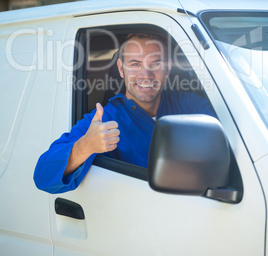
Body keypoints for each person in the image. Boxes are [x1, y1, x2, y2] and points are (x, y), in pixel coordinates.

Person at [34, 33, 215, 194]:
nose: (146, 74)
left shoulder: (190, 105)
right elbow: (43, 177)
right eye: (135, 64)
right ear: (121, 69)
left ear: (167, 69)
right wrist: (86, 146)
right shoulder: (104, 119)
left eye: (156, 64)